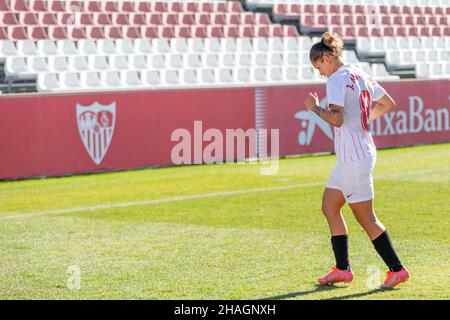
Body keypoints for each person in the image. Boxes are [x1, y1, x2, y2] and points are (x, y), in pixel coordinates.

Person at [303, 32, 410, 289]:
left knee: (367, 219)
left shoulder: (336, 79)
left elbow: (337, 120)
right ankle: (342, 269)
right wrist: (362, 121)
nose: (320, 73)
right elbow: (388, 103)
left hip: (354, 158)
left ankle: (397, 269)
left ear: (328, 57)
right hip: (353, 156)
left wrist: (315, 108)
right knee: (329, 206)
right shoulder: (358, 73)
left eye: (319, 67)